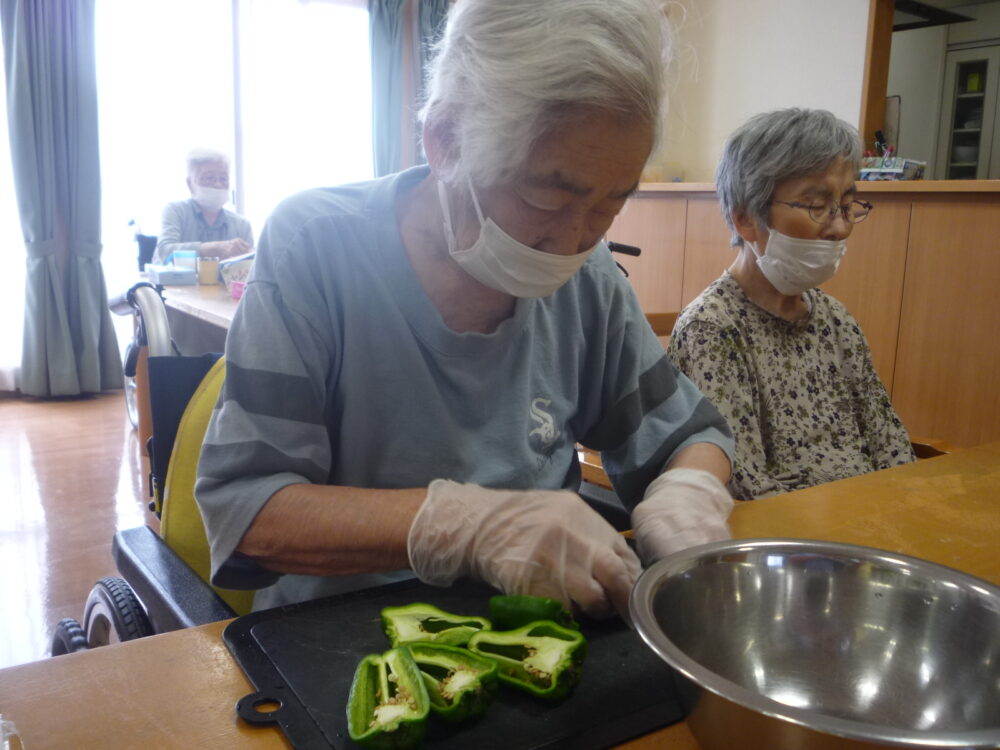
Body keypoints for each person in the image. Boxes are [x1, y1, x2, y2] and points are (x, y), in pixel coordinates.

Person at [195, 0, 735, 620]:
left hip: (543, 636)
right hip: (344, 642)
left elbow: (690, 436)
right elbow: (248, 511)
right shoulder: (315, 249)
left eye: (611, 205)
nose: (575, 241)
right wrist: (468, 525)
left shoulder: (588, 280)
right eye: (547, 195)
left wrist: (687, 491)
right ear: (446, 140)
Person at [667, 108, 915, 501]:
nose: (840, 227)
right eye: (817, 205)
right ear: (747, 219)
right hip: (789, 544)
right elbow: (745, 486)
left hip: (869, 525)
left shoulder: (835, 320)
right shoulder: (713, 328)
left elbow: (891, 447)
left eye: (846, 204)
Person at [153, 148, 254, 265]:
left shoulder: (241, 225)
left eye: (223, 179)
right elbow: (165, 251)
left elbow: (252, 267)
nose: (217, 184)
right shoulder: (175, 211)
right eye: (209, 178)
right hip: (176, 283)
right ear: (190, 184)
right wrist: (211, 248)